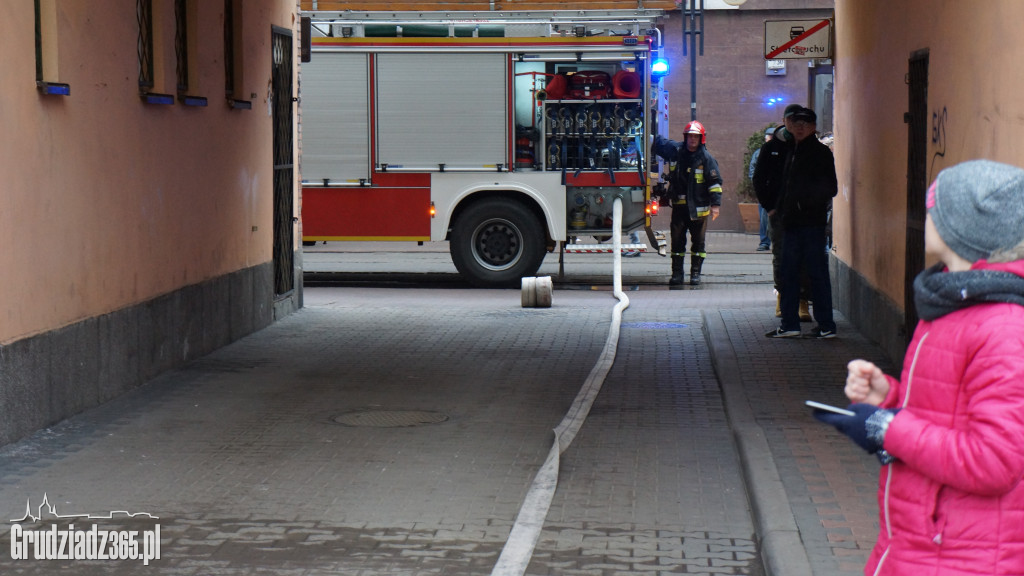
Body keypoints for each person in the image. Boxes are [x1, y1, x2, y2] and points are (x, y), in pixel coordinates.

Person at [813, 159, 1024, 575]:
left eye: (935, 207)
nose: (925, 214)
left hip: (964, 555)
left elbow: (997, 460)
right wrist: (888, 397)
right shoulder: (953, 304)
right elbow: (949, 413)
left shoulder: (1003, 328)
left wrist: (886, 428)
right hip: (922, 543)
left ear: (963, 227)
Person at [764, 107, 837, 338]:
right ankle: (790, 324)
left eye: (805, 124)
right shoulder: (789, 150)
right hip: (790, 223)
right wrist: (778, 207)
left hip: (810, 224)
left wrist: (802, 203)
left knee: (816, 274)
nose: (800, 127)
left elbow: (830, 187)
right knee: (789, 273)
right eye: (796, 123)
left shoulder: (819, 153)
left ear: (813, 127)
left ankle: (825, 325)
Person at [754, 104, 812, 321]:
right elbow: (759, 179)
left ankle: (803, 301)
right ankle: (783, 297)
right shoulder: (771, 149)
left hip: (804, 212)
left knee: (804, 257)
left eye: (799, 120)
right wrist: (769, 206)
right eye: (791, 119)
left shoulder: (808, 146)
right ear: (785, 120)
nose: (795, 124)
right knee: (781, 256)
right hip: (779, 213)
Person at [653, 120, 723, 286]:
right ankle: (677, 275)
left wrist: (715, 206)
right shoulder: (676, 151)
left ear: (701, 138)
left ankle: (695, 274)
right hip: (679, 208)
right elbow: (659, 144)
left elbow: (714, 183)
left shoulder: (706, 159)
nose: (692, 139)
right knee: (677, 242)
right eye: (690, 136)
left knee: (698, 244)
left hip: (699, 210)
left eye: (695, 136)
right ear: (685, 137)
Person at [748, 130, 772, 251]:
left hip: (775, 190)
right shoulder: (759, 153)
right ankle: (765, 241)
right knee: (763, 217)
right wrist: (758, 185)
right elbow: (753, 170)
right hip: (764, 190)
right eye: (769, 137)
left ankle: (771, 241)